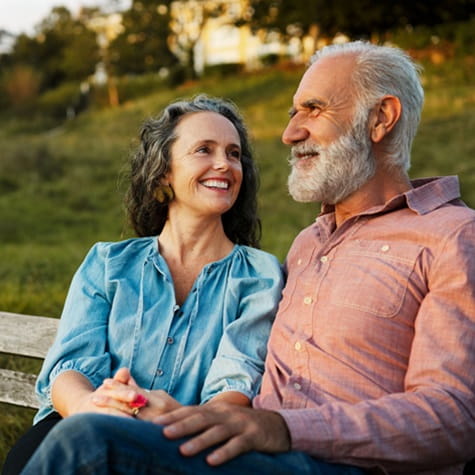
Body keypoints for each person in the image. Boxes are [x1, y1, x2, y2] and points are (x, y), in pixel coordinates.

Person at [20, 40, 475, 475]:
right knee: (73, 438)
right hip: (243, 454)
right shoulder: (309, 244)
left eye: (313, 109)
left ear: (381, 118)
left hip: (336, 463)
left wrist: (278, 427)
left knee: (89, 443)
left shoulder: (452, 236)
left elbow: (455, 416)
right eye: (293, 113)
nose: (289, 133)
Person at [3, 95, 284, 474]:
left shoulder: (259, 275)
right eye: (204, 149)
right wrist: (90, 408)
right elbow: (69, 367)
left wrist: (169, 417)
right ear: (164, 171)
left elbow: (236, 385)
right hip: (78, 426)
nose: (224, 164)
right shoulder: (108, 263)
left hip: (181, 442)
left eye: (234, 154)